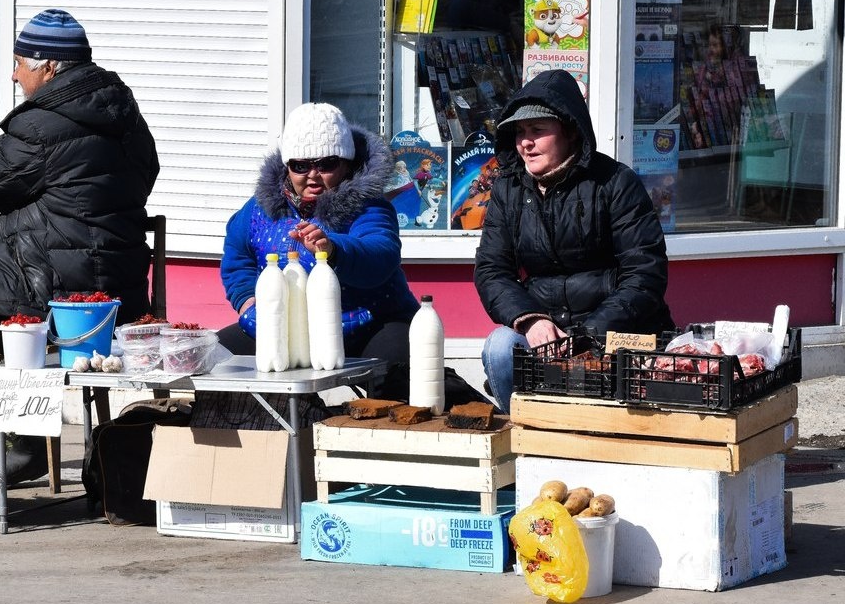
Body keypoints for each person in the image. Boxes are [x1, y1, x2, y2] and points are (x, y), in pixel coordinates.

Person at [0, 8, 159, 485]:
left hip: (53, 295)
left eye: (20, 63)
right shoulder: (126, 114)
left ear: (49, 66)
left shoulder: (43, 125)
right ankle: (2, 440)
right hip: (120, 298)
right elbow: (146, 173)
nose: (14, 74)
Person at [218, 103, 482, 405]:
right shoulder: (259, 209)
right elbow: (238, 255)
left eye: (326, 164)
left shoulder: (369, 205)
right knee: (221, 359)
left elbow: (380, 254)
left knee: (395, 375)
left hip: (371, 322)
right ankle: (285, 433)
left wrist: (334, 250)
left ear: (346, 163)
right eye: (300, 166)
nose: (313, 176)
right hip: (288, 330)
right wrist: (246, 300)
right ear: (286, 166)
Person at [474, 69, 674, 413]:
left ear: (569, 131)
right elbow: (492, 270)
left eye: (538, 131)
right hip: (546, 330)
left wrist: (589, 335)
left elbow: (644, 274)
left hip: (615, 332)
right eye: (520, 132)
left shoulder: (614, 182)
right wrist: (530, 320)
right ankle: (525, 439)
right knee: (499, 347)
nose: (526, 143)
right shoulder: (508, 189)